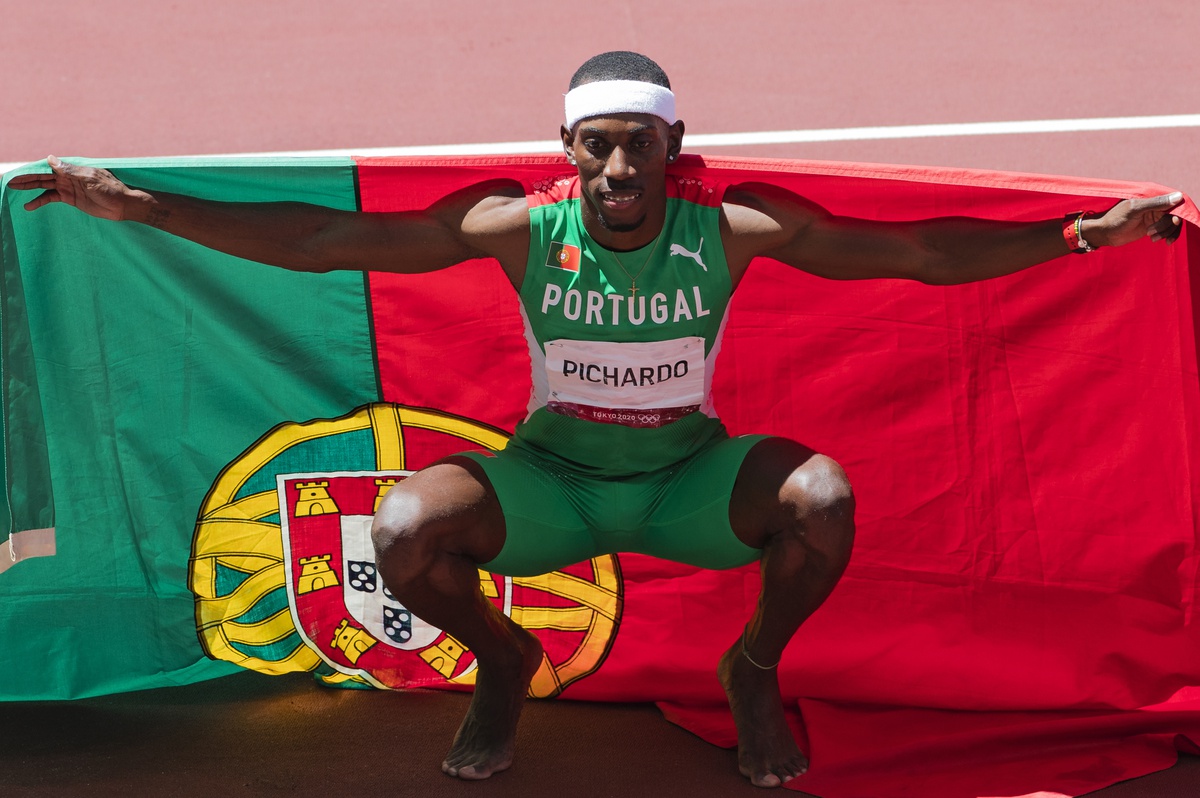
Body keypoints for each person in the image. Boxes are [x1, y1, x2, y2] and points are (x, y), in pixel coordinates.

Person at [10, 50, 1183, 789]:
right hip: (554, 482)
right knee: (404, 524)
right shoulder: (520, 227)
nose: (619, 166)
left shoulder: (730, 230)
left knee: (820, 498)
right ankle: (504, 658)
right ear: (565, 156)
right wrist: (137, 207)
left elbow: (917, 253)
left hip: (686, 481)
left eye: (640, 145)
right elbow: (324, 246)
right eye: (596, 146)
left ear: (677, 150)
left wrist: (1080, 237)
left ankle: (755, 667)